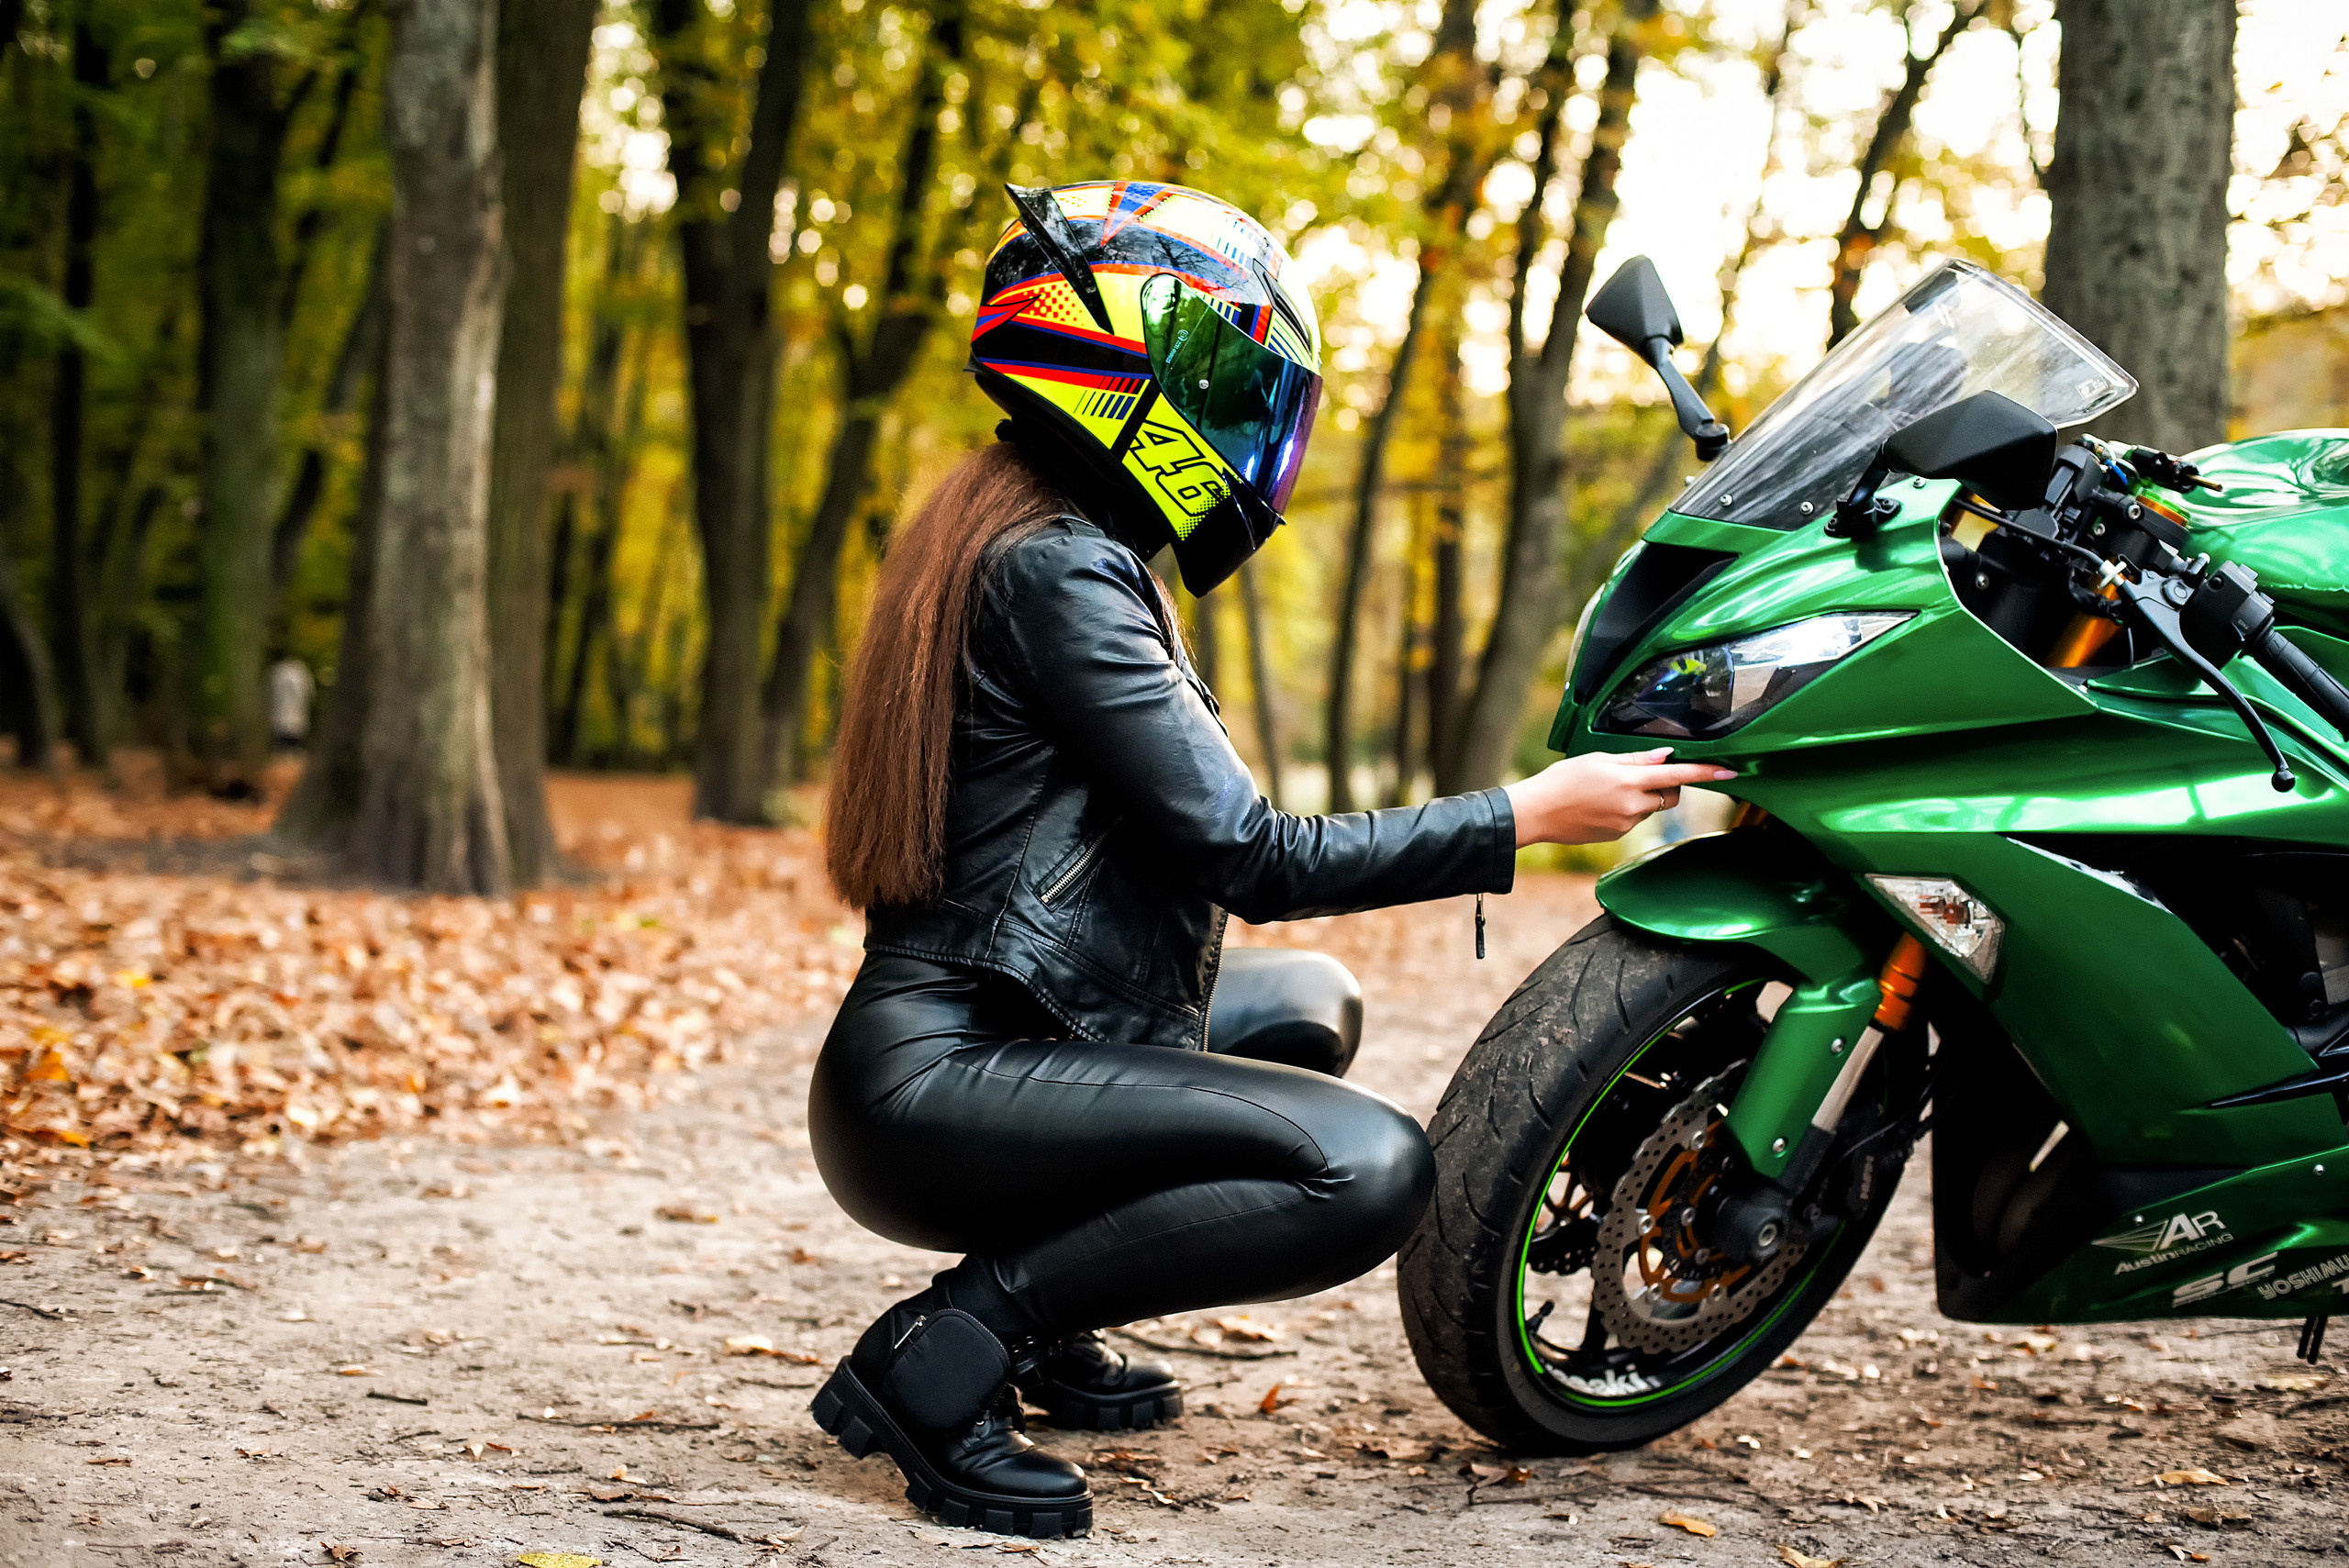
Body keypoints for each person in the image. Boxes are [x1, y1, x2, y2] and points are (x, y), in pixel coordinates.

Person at [806, 181, 1733, 1540]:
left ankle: (1041, 1329)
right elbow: (1254, 854)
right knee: (1366, 1169)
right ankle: (944, 1354)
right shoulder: (1060, 567)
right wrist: (1525, 812)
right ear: (1130, 368)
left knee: (1307, 1005)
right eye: (1232, 385)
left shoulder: (1030, 527)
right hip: (938, 1086)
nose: (1253, 425)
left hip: (963, 1039)